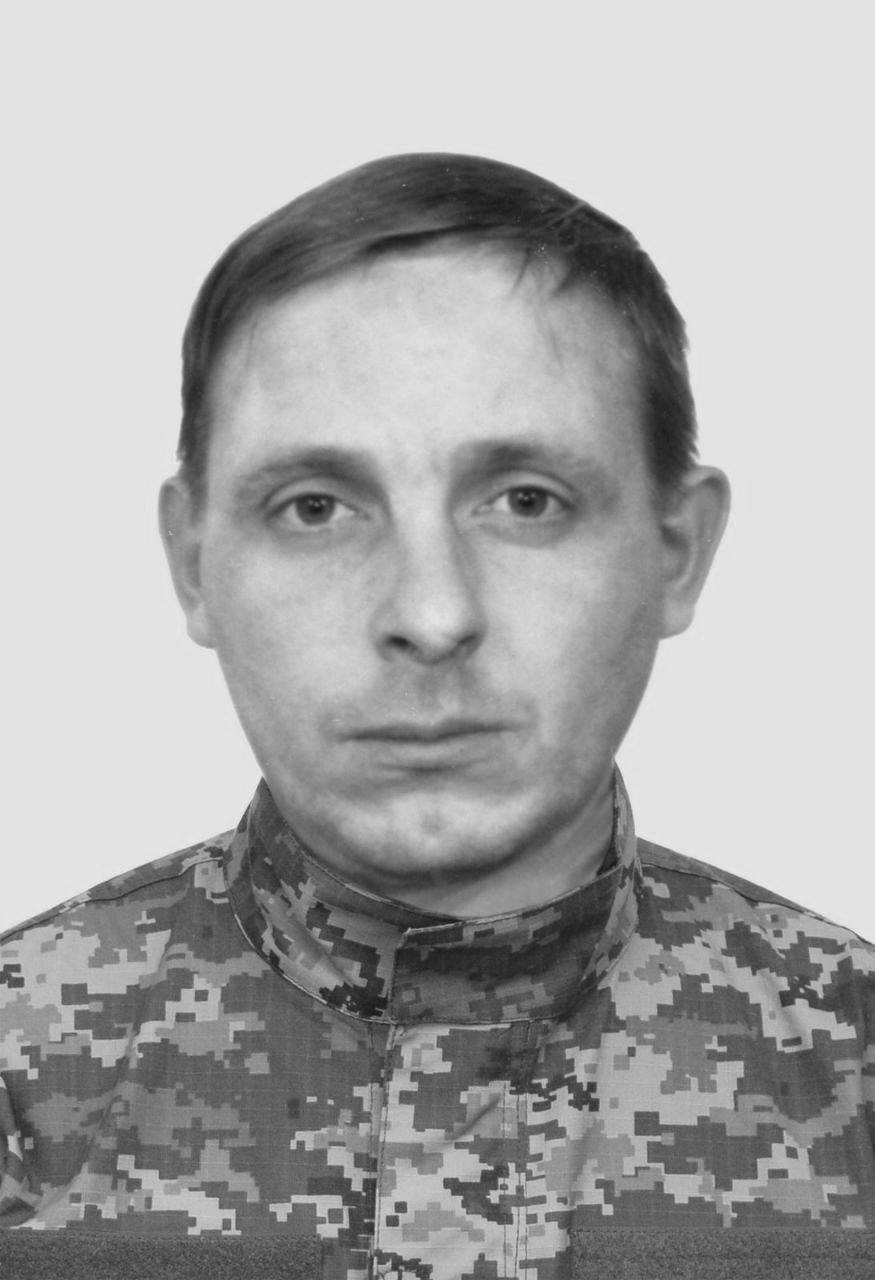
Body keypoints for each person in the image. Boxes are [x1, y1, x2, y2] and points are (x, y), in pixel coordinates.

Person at [1, 154, 873, 1280]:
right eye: (314, 507)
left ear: (676, 550)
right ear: (192, 561)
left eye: (525, 501)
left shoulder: (853, 1063)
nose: (430, 614)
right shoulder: (23, 1077)